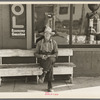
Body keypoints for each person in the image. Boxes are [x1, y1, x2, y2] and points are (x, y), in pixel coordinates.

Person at [34, 26, 58, 92]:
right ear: (44, 34)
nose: (47, 35)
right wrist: (42, 56)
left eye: (48, 33)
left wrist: (50, 55)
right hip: (43, 60)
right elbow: (35, 53)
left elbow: (56, 54)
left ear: (50, 35)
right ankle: (49, 85)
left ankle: (43, 74)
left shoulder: (54, 43)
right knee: (50, 66)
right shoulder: (39, 43)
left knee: (50, 60)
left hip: (51, 58)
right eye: (46, 33)